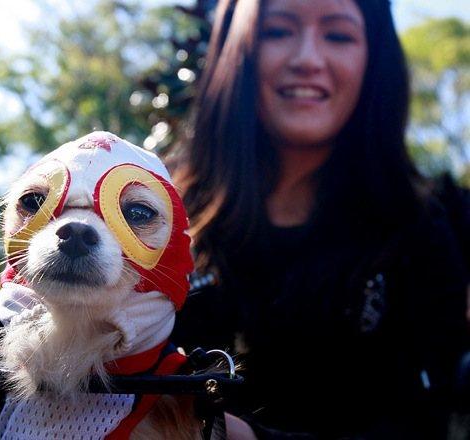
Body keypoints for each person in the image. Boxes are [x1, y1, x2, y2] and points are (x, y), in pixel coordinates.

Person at [170, 0, 470, 438]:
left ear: (375, 58)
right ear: (237, 48)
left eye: (338, 35)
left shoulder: (430, 225)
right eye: (278, 31)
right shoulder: (151, 211)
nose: (307, 59)